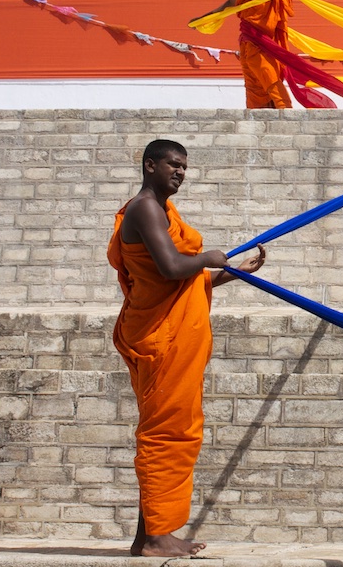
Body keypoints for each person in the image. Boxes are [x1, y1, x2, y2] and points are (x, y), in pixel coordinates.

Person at [107, 139, 266, 557]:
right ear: (150, 165)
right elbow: (173, 267)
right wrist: (213, 257)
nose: (180, 172)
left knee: (168, 429)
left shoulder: (161, 210)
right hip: (160, 337)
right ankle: (157, 538)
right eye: (173, 165)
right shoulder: (144, 208)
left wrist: (233, 271)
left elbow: (183, 282)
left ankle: (149, 536)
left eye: (184, 167)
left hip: (168, 331)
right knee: (166, 433)